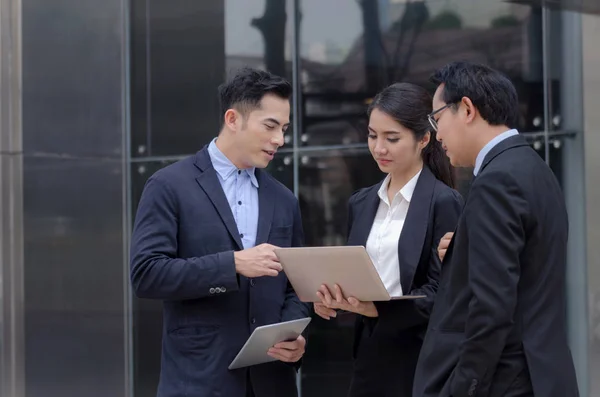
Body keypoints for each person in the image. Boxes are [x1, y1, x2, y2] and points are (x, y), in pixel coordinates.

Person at [130, 67, 309, 397]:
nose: (280, 140)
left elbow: (297, 286)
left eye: (284, 128)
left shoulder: (284, 199)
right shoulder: (169, 186)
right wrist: (233, 264)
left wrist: (294, 337)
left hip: (272, 383)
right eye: (270, 126)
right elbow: (146, 274)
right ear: (233, 119)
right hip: (199, 380)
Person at [413, 61, 580, 397]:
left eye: (437, 118)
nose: (437, 133)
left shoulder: (497, 181)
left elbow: (491, 306)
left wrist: (463, 388)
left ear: (467, 109)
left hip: (506, 382)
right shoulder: (535, 169)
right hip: (541, 373)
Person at [313, 82, 464, 397]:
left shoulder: (443, 202)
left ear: (424, 138)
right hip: (369, 354)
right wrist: (334, 298)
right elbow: (358, 277)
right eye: (372, 135)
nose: (379, 148)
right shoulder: (361, 202)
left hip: (420, 356)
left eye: (391, 138)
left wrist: (377, 309)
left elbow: (444, 294)